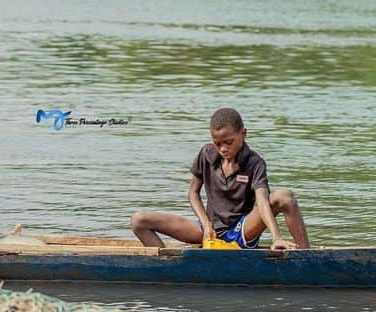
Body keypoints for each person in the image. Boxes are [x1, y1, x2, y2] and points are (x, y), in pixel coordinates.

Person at [130, 107, 311, 251]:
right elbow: (193, 193)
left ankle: (306, 257)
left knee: (285, 196)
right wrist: (207, 225)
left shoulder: (255, 163)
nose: (223, 149)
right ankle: (166, 265)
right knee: (139, 220)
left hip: (241, 230)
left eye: (229, 142)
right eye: (218, 144)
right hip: (208, 230)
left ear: (243, 133)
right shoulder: (206, 154)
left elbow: (262, 201)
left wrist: (276, 238)